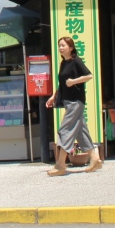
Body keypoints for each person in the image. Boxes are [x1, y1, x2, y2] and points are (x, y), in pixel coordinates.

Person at [44, 36, 103, 176]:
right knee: (81, 131)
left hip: (76, 101)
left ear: (71, 47)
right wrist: (54, 96)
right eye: (59, 45)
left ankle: (60, 164)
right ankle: (95, 159)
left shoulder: (75, 60)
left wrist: (74, 81)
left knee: (65, 129)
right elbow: (63, 83)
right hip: (68, 101)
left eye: (63, 45)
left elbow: (89, 75)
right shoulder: (63, 63)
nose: (61, 48)